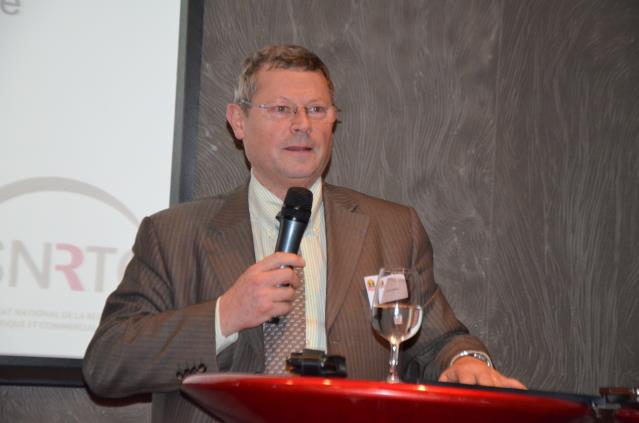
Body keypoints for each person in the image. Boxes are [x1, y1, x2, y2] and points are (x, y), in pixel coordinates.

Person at [83, 44, 524, 422]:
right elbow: (106, 364)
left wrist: (468, 360)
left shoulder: (392, 228)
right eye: (281, 109)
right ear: (238, 122)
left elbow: (441, 341)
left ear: (333, 121)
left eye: (316, 109)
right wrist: (225, 315)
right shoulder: (173, 234)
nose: (302, 124)